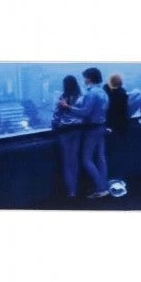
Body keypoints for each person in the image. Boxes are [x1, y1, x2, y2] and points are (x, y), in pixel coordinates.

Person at [59, 67, 109, 199]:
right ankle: (104, 186)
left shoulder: (90, 93)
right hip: (102, 126)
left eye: (85, 77)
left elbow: (85, 112)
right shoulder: (103, 92)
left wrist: (67, 107)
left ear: (89, 78)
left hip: (92, 129)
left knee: (86, 160)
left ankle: (101, 188)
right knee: (101, 158)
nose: (84, 80)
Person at [51, 75, 84, 199]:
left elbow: (56, 115)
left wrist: (55, 125)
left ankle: (71, 192)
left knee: (66, 162)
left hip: (64, 131)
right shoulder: (81, 98)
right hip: (77, 130)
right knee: (74, 161)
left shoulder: (62, 97)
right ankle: (75, 189)